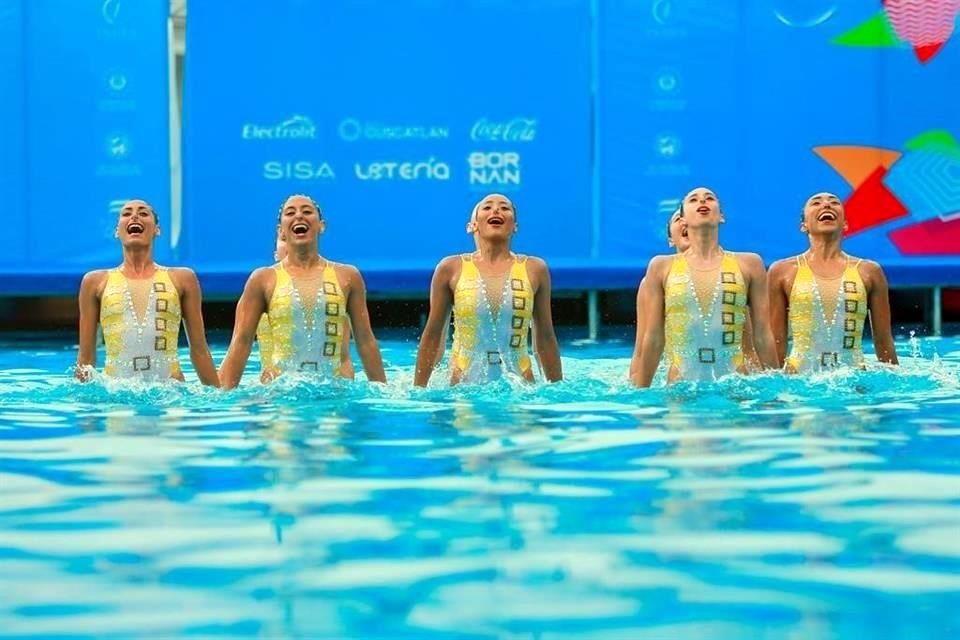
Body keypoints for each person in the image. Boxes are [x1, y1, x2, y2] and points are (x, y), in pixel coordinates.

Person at [219, 194, 385, 389]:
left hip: (335, 395)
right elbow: (241, 342)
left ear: (321, 226)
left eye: (307, 211)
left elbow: (365, 340)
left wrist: (382, 392)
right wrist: (222, 397)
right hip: (281, 396)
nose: (299, 216)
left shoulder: (347, 276)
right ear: (281, 231)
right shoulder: (263, 279)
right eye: (290, 213)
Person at [633, 187, 778, 387]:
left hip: (736, 385)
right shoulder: (660, 267)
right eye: (693, 200)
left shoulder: (750, 264)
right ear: (683, 221)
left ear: (722, 217)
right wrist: (641, 392)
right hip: (681, 387)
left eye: (709, 198)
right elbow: (653, 338)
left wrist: (775, 390)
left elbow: (762, 334)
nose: (702, 201)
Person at [414, 193, 562, 386]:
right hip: (463, 386)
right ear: (472, 226)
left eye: (505, 208)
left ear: (515, 226)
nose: (496, 210)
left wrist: (558, 390)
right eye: (487, 207)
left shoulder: (535, 269)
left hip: (521, 387)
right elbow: (433, 335)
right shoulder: (450, 268)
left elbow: (545, 337)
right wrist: (419, 390)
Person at [75, 199, 219, 385]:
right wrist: (82, 402)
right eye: (127, 213)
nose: (134, 216)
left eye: (143, 213)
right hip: (116, 395)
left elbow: (199, 350)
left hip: (171, 394)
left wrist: (218, 396)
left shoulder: (183, 279)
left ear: (157, 230)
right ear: (117, 231)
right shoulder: (94, 282)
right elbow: (86, 358)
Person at [768, 192, 898, 372]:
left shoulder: (869, 272)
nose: (826, 205)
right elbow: (776, 340)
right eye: (816, 203)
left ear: (845, 224)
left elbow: (884, 341)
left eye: (834, 202)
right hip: (798, 380)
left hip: (854, 381)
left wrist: (895, 383)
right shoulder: (782, 271)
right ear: (804, 226)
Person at [255, 230, 355, 382]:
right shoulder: (257, 296)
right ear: (275, 254)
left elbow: (344, 359)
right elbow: (239, 346)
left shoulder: (330, 303)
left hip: (326, 387)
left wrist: (345, 391)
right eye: (284, 239)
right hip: (275, 390)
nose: (291, 243)